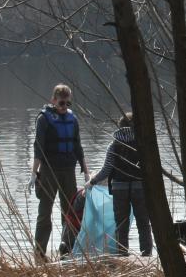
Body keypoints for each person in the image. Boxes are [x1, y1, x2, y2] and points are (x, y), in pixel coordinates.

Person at [32, 84, 88, 259]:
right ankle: (40, 251)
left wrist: (86, 171)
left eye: (67, 103)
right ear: (53, 100)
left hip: (68, 170)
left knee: (71, 212)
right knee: (45, 212)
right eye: (61, 103)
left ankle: (67, 249)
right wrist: (34, 173)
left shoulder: (73, 119)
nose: (64, 107)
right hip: (49, 170)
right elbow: (38, 147)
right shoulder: (43, 119)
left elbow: (78, 147)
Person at [88, 112, 153, 256]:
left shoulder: (113, 146)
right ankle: (147, 254)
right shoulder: (142, 144)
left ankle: (122, 254)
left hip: (119, 188)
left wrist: (93, 181)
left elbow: (106, 170)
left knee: (121, 225)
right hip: (140, 187)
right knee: (143, 223)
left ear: (120, 126)